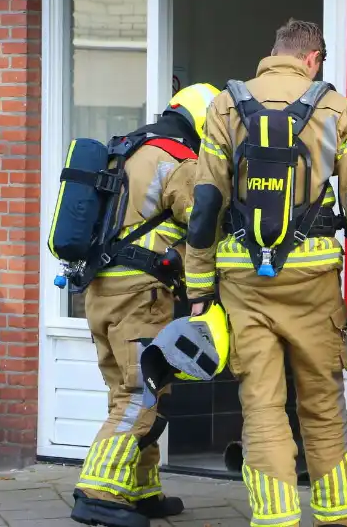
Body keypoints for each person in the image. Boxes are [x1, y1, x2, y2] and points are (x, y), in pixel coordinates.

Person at [184, 18, 347, 527]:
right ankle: (339, 516)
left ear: (273, 54)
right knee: (322, 401)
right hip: (314, 275)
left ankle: (275, 518)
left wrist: (198, 287)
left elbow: (205, 204)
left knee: (262, 406)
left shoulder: (224, 105)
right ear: (313, 58)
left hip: (242, 276)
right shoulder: (337, 109)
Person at [70, 83, 218, 527]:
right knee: (141, 395)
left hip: (99, 293)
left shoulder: (125, 150)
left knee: (130, 391)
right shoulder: (178, 159)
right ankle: (97, 493)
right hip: (141, 295)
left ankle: (141, 488)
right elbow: (202, 226)